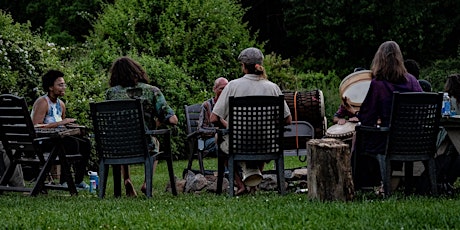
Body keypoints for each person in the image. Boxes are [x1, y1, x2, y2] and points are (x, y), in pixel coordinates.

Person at [210, 47, 292, 195]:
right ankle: (253, 186)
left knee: (219, 143)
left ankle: (240, 185)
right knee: (262, 136)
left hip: (238, 145)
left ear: (243, 66)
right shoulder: (273, 88)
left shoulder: (232, 86)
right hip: (267, 145)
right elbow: (288, 120)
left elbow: (214, 118)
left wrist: (229, 126)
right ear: (260, 65)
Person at [342, 41, 423, 189]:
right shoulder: (412, 81)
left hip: (389, 142)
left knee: (360, 135)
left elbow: (367, 119)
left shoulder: (378, 84)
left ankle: (362, 184)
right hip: (416, 141)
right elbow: (422, 109)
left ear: (379, 59)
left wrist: (354, 112)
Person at [106, 56, 178, 197]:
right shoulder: (151, 91)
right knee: (155, 143)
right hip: (143, 144)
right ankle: (147, 183)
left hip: (116, 146)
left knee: (123, 136)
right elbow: (172, 119)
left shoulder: (111, 93)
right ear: (137, 71)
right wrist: (159, 122)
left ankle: (126, 179)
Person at [31, 70, 90, 189]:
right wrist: (60, 123)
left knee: (85, 143)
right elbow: (35, 126)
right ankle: (65, 181)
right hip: (43, 141)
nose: (64, 87)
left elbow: (61, 125)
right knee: (71, 143)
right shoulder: (42, 102)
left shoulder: (61, 104)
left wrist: (69, 125)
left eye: (64, 84)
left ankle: (78, 180)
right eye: (60, 85)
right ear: (50, 87)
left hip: (58, 139)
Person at [197, 77, 228, 156]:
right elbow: (200, 129)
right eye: (222, 89)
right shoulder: (207, 105)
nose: (224, 92)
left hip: (225, 137)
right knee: (224, 143)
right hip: (207, 140)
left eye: (226, 89)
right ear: (214, 89)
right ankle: (227, 168)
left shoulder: (229, 105)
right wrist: (217, 131)